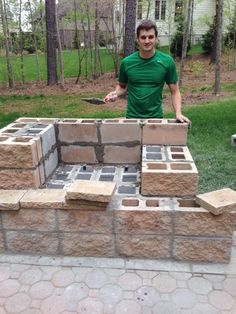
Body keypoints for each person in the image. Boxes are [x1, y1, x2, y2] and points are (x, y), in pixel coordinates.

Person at [104, 20, 189, 123]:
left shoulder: (167, 61)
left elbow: (175, 91)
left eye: (151, 37)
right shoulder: (127, 62)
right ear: (138, 39)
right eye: (143, 37)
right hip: (132, 119)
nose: (147, 41)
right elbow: (122, 87)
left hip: (156, 119)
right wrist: (115, 94)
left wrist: (178, 113)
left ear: (156, 38)